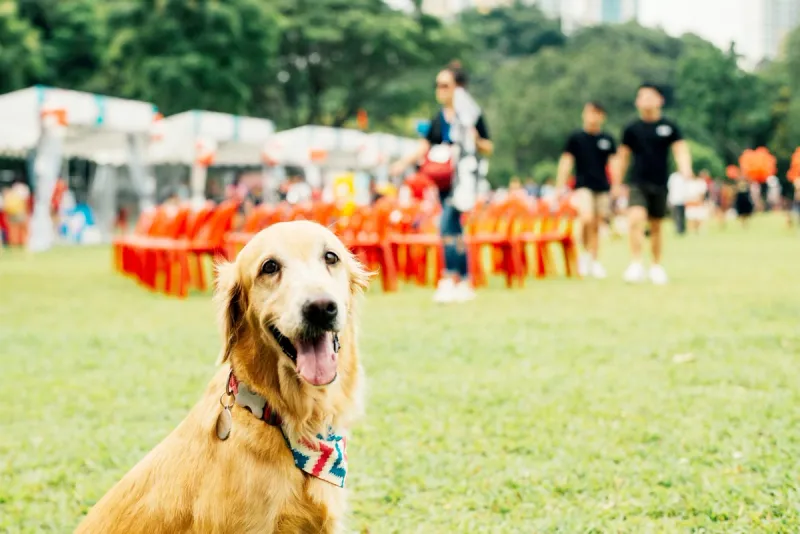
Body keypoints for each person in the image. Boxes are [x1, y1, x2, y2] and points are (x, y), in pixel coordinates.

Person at [390, 62, 493, 303]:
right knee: (454, 231)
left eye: (445, 85)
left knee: (447, 226)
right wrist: (402, 163)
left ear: (458, 87)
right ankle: (463, 279)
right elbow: (424, 145)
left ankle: (450, 276)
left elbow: (488, 146)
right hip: (445, 183)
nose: (440, 90)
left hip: (464, 182)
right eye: (438, 85)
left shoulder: (470, 115)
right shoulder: (440, 117)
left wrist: (475, 139)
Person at [613, 83, 693, 285]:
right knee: (635, 219)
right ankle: (636, 263)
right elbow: (622, 157)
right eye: (642, 96)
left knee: (656, 225)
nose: (646, 100)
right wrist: (616, 182)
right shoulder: (631, 129)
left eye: (650, 96)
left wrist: (685, 169)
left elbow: (680, 150)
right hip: (637, 183)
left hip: (660, 183)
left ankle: (656, 266)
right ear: (637, 102)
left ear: (660, 100)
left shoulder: (669, 127)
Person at [556, 101, 617, 279]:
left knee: (597, 223)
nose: (592, 117)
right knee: (586, 218)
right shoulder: (576, 138)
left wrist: (616, 185)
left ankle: (594, 259)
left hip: (602, 186)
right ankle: (584, 254)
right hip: (582, 185)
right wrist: (560, 185)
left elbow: (614, 163)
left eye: (596, 113)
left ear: (602, 117)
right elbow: (566, 161)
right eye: (589, 113)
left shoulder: (607, 139)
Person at [667, 171, 687, 235]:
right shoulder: (673, 177)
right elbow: (670, 188)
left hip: (682, 200)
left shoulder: (684, 176)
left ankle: (682, 230)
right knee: (676, 216)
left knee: (682, 216)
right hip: (675, 200)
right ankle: (678, 230)